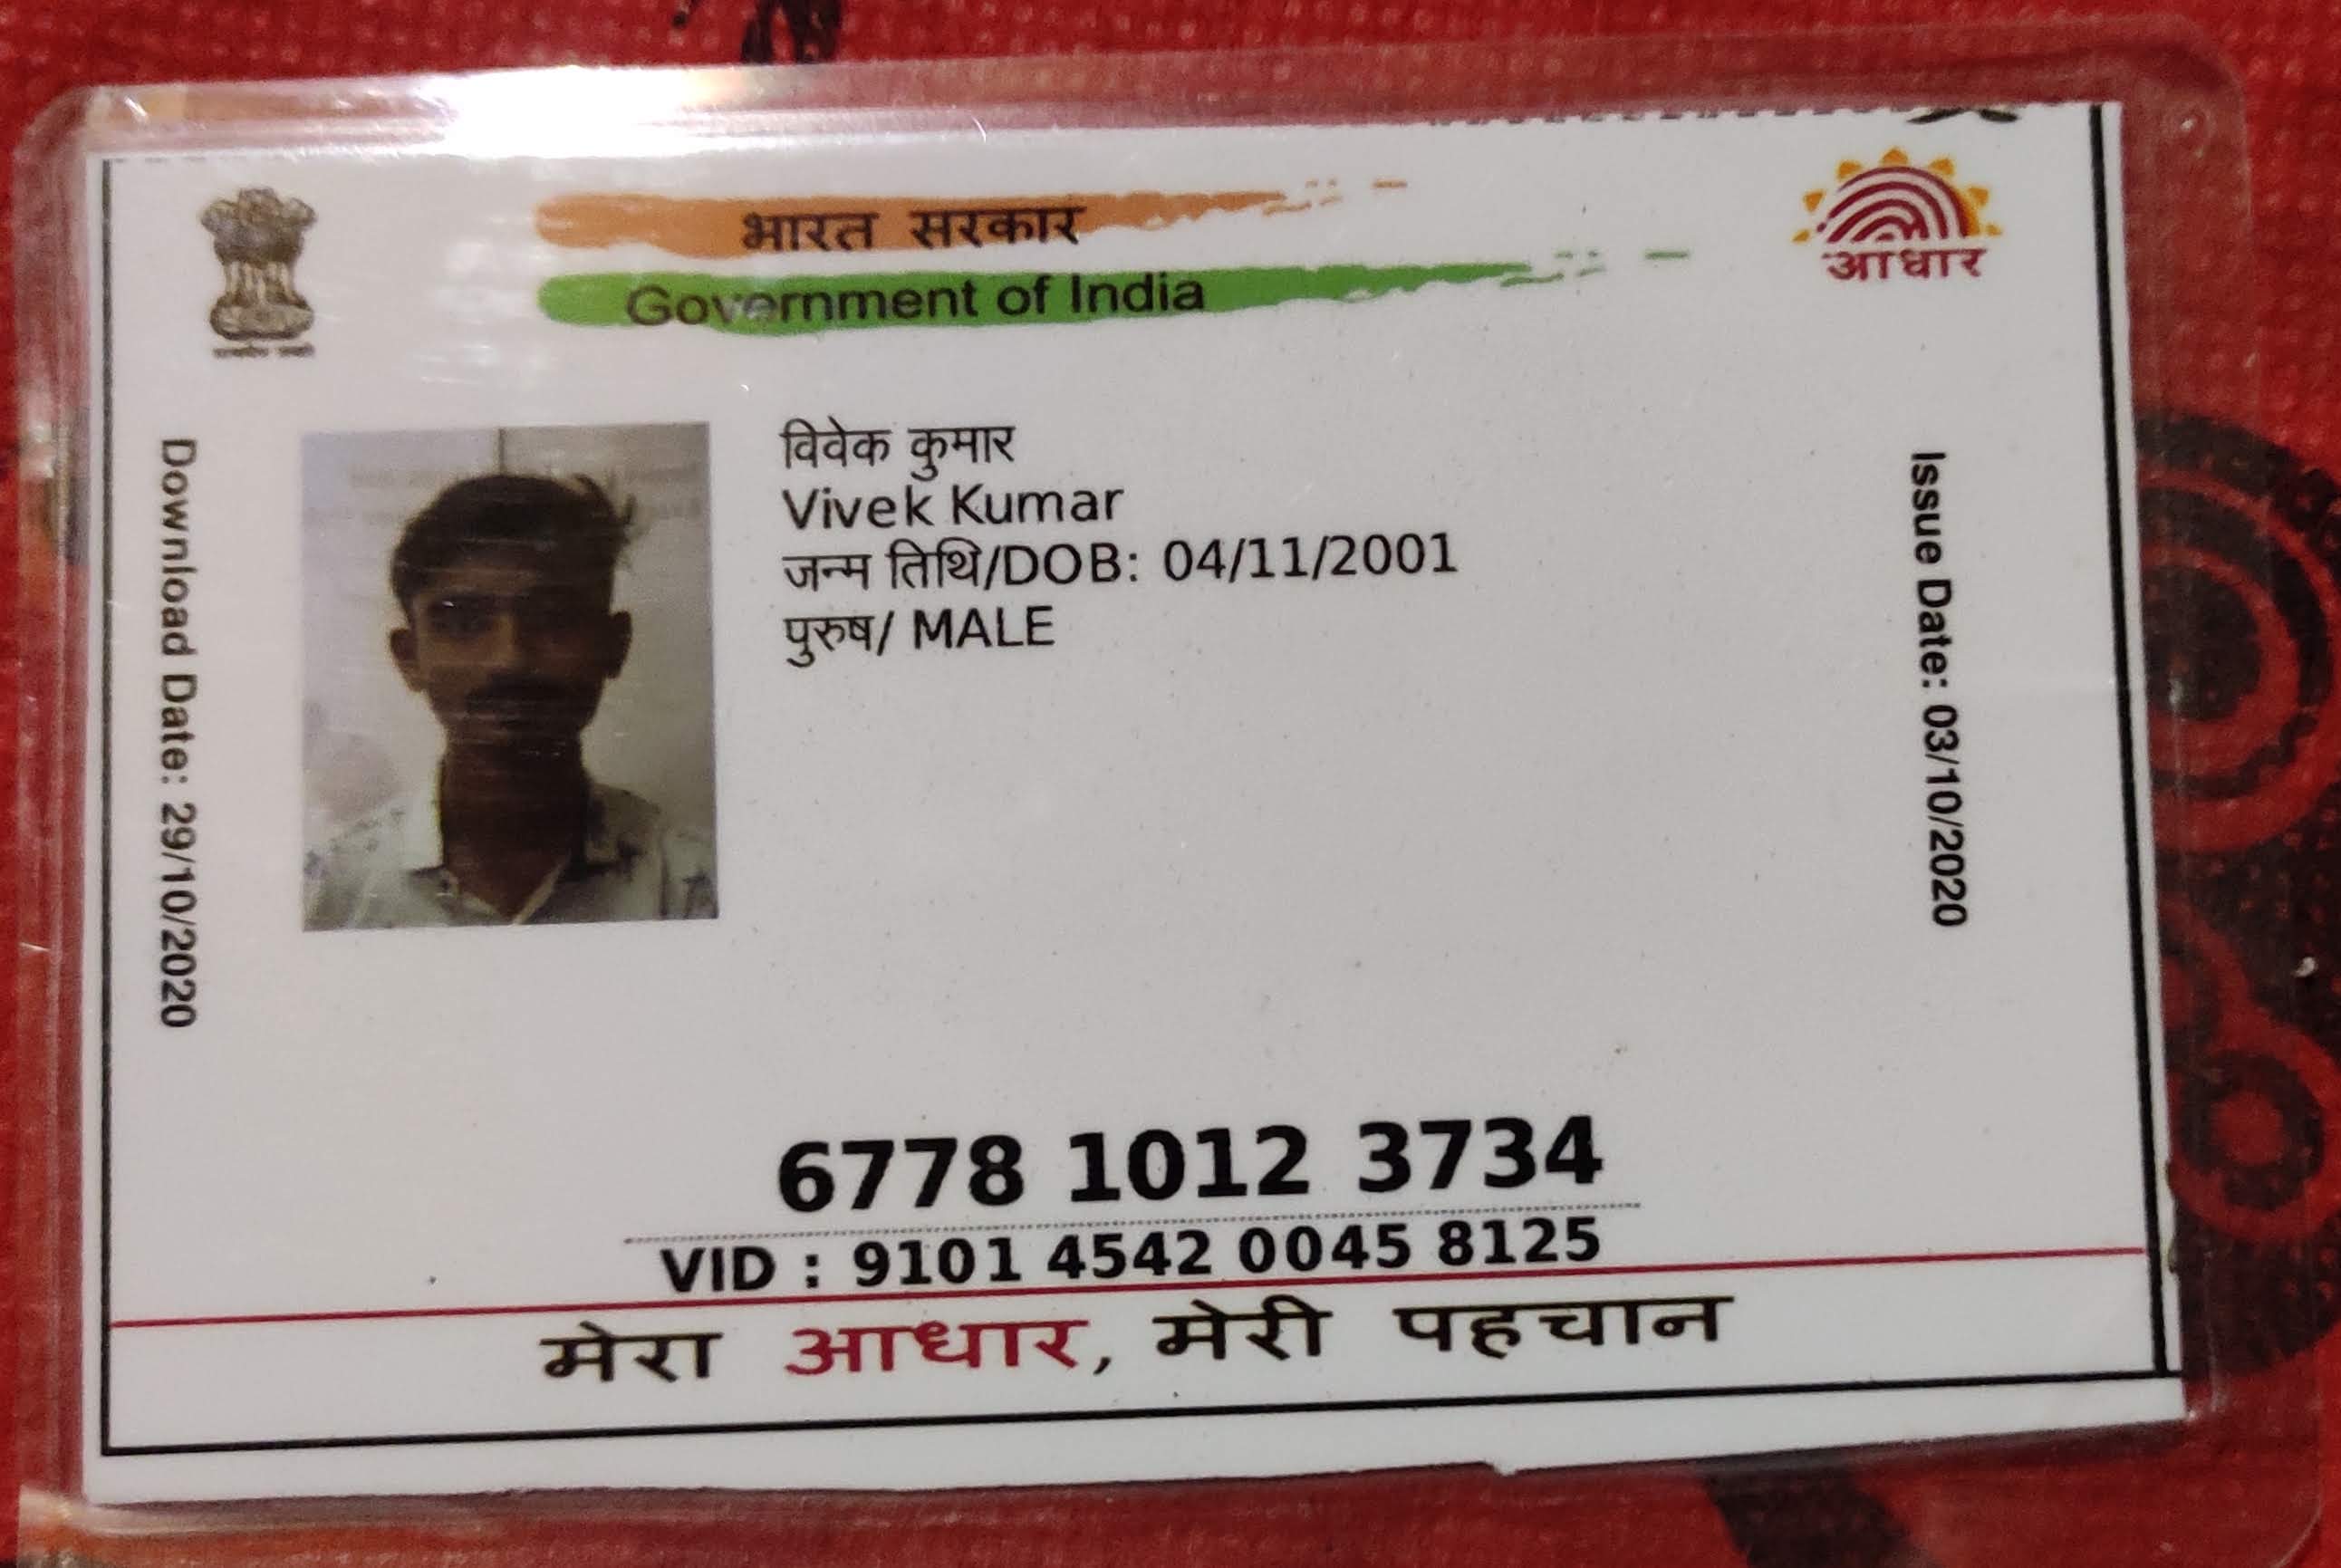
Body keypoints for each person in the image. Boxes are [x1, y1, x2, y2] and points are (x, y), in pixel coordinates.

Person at [304, 474, 716, 929]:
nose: (509, 660)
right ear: (409, 657)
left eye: (554, 619)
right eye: (464, 624)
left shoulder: (696, 890)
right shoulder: (326, 894)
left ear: (614, 645)